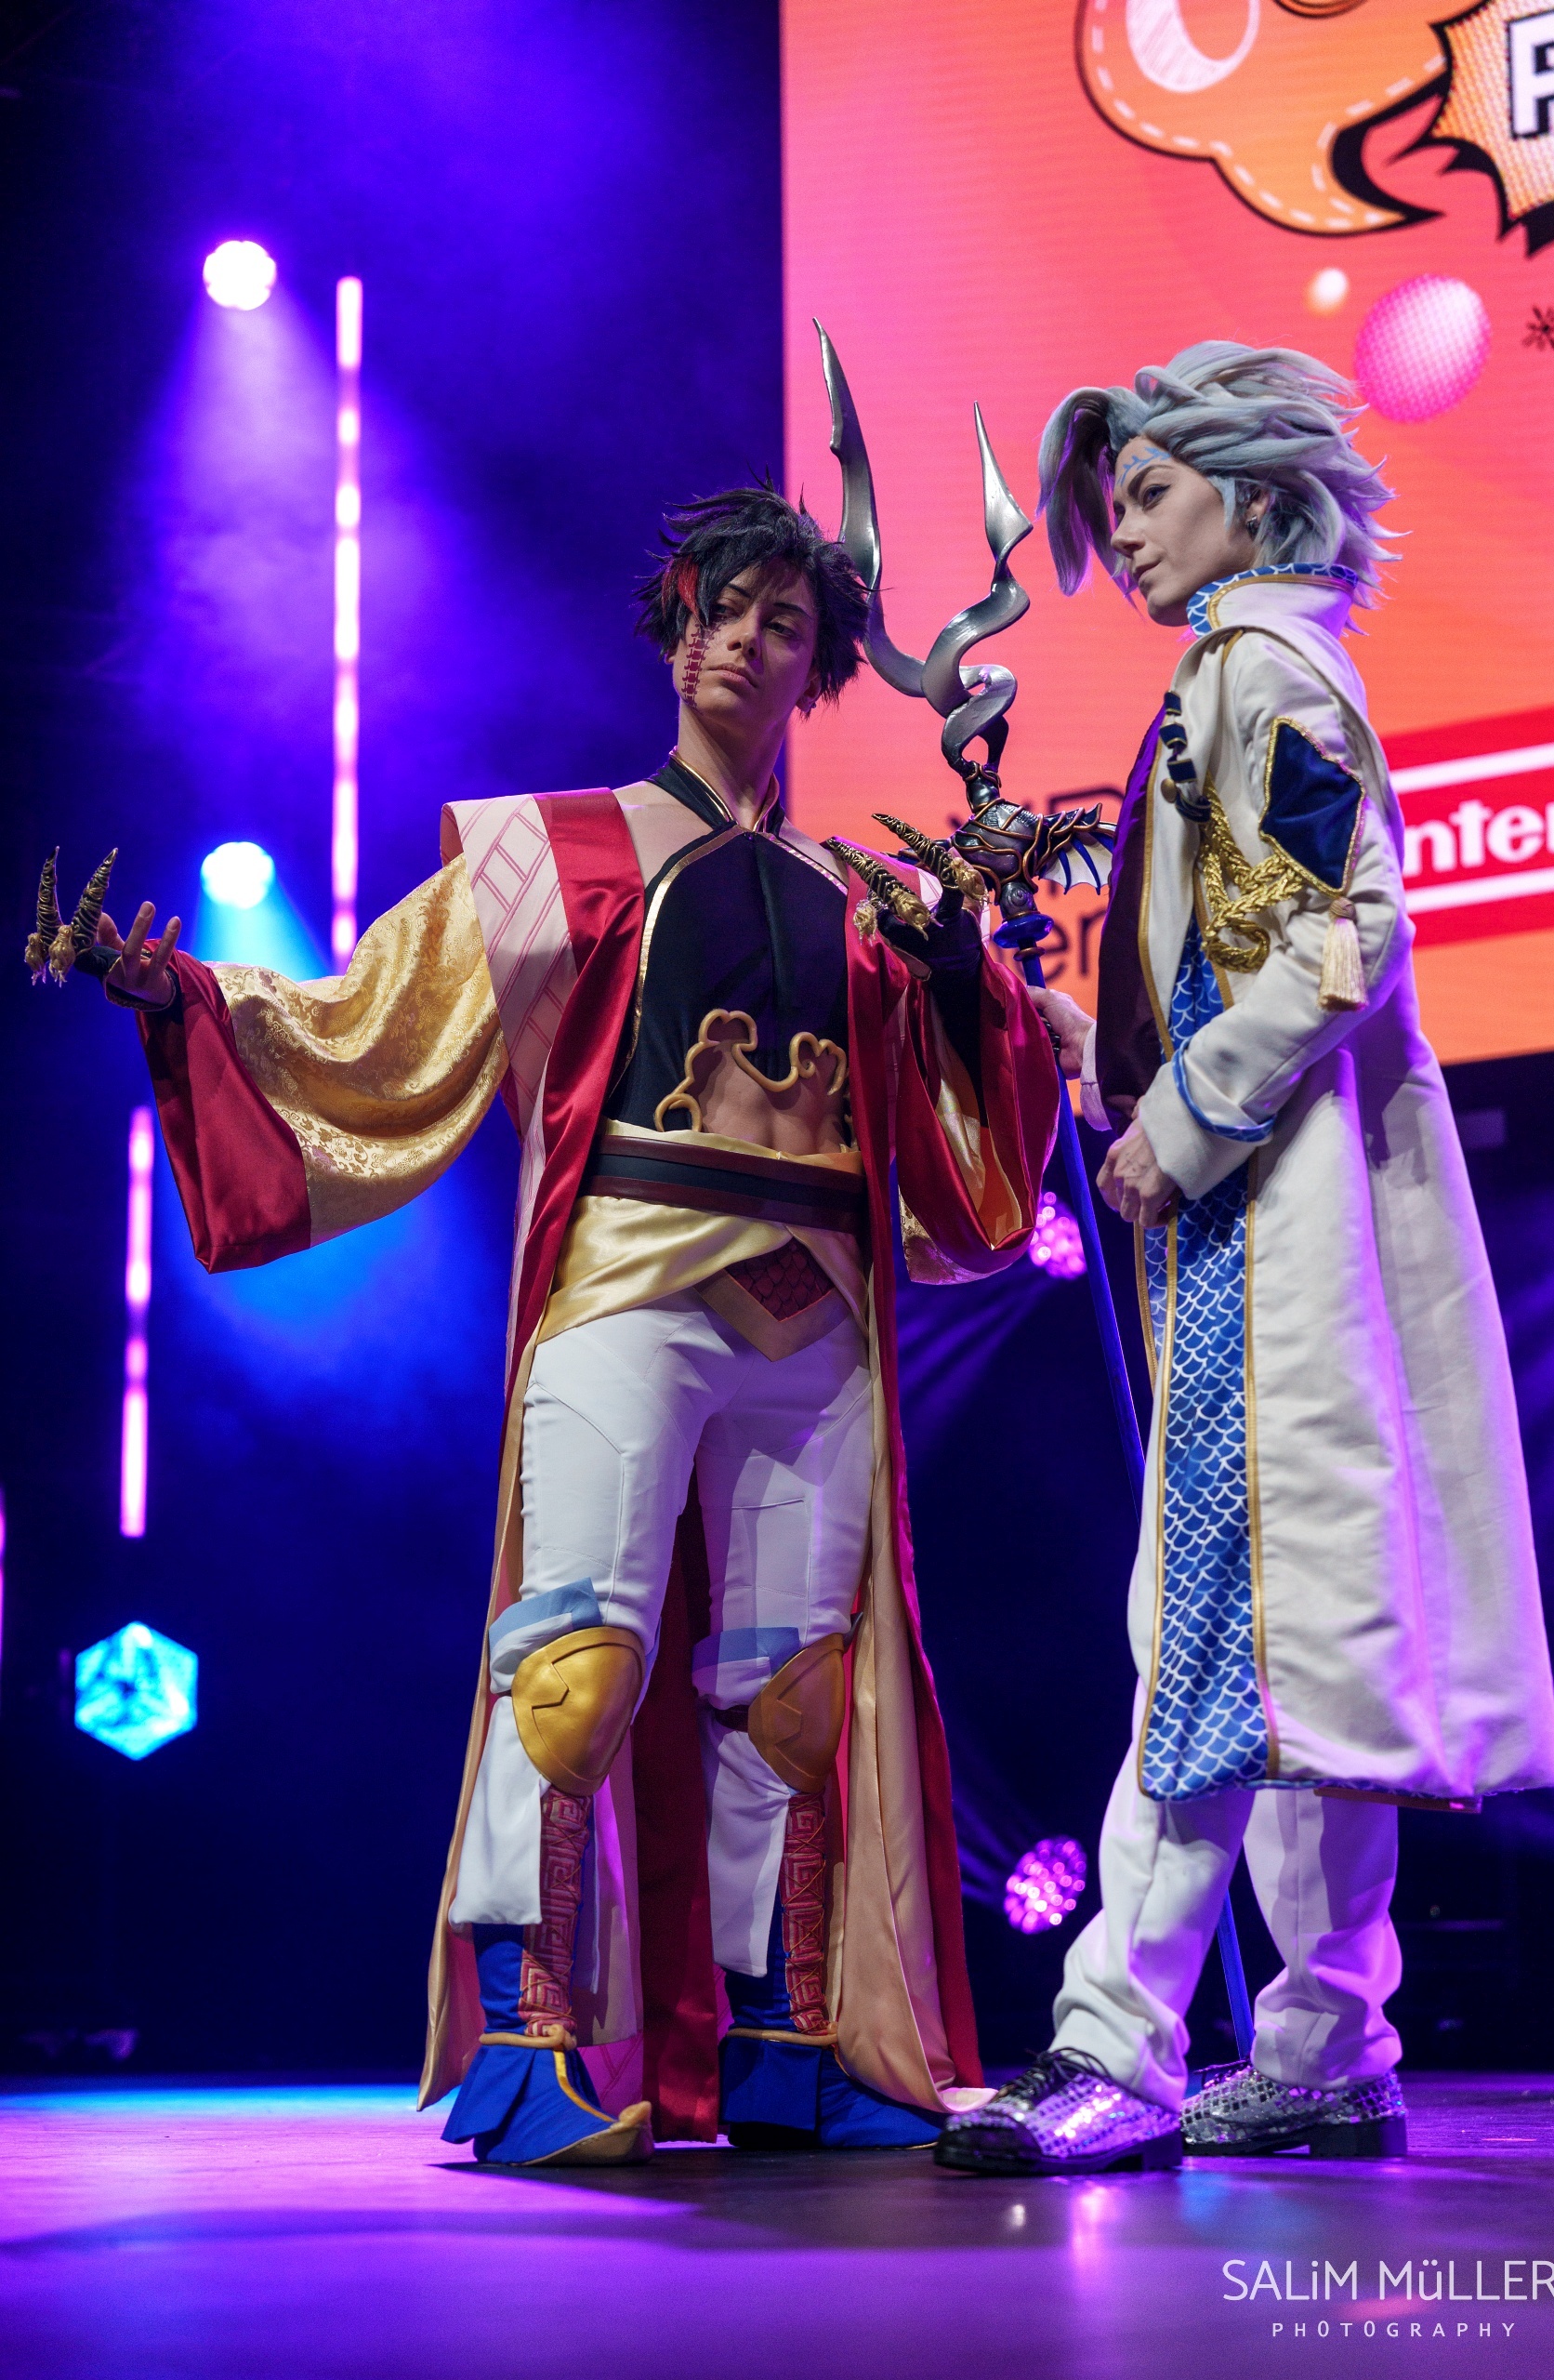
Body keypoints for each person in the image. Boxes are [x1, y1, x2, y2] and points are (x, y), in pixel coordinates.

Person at [73, 482, 1060, 2167]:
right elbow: (376, 1013)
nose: (749, 642)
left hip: (817, 1310)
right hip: (627, 1287)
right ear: (675, 631)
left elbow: (963, 1119)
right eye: (725, 611)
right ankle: (529, 2055)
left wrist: (969, 969)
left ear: (820, 669)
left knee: (792, 1694)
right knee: (576, 1664)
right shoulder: (562, 850)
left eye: (787, 625)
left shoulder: (861, 892)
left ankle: (787, 2045)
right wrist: (193, 995)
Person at [936, 343, 1554, 2178]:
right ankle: (1324, 2042)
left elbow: (1342, 931)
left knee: (1207, 1630)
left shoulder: (1252, 667)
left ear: (1250, 491)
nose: (1123, 533)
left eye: (1147, 493)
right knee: (1289, 1651)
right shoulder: (1254, 669)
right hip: (1271, 1218)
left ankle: (1115, 2045)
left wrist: (1187, 1115)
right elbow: (1272, 949)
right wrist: (1116, 1055)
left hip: (1269, 1232)